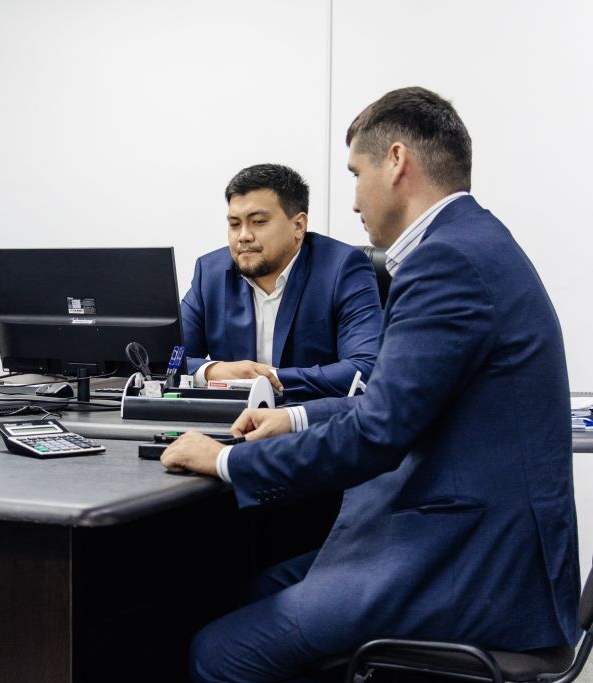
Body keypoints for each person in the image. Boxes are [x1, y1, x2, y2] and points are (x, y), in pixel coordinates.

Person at [163, 87, 580, 683]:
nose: (355, 199)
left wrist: (227, 461)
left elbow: (378, 429)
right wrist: (296, 417)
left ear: (397, 161)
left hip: (470, 563)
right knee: (257, 588)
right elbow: (393, 399)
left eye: (357, 174)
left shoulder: (445, 262)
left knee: (217, 652)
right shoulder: (470, 241)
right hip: (465, 532)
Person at [182, 164, 382, 401]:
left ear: (298, 226)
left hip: (310, 418)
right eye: (234, 224)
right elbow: (164, 360)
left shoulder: (342, 269)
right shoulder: (210, 273)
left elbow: (365, 368)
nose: (243, 236)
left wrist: (269, 380)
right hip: (231, 419)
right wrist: (212, 371)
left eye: (258, 221)